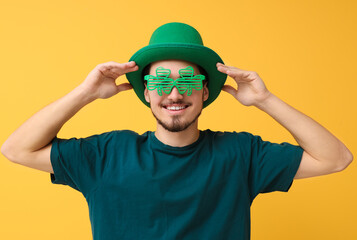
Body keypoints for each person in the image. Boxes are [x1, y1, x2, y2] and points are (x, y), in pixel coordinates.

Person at [1, 22, 353, 240]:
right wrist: (86, 93)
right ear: (147, 92)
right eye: (160, 82)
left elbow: (337, 158)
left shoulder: (241, 155)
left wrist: (265, 100)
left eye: (187, 81)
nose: (174, 93)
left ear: (204, 91)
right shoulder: (106, 155)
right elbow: (16, 149)